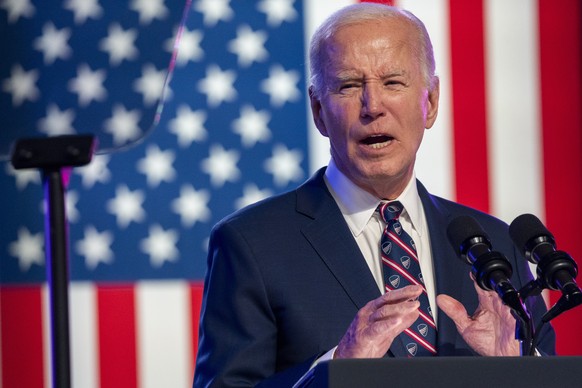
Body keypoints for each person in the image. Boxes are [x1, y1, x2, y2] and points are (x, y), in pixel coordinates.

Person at [193, 3, 555, 387]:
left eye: (393, 82)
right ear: (318, 109)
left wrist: (517, 368)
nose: (373, 106)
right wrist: (337, 365)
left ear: (430, 102)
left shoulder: (496, 244)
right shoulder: (252, 243)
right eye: (349, 85)